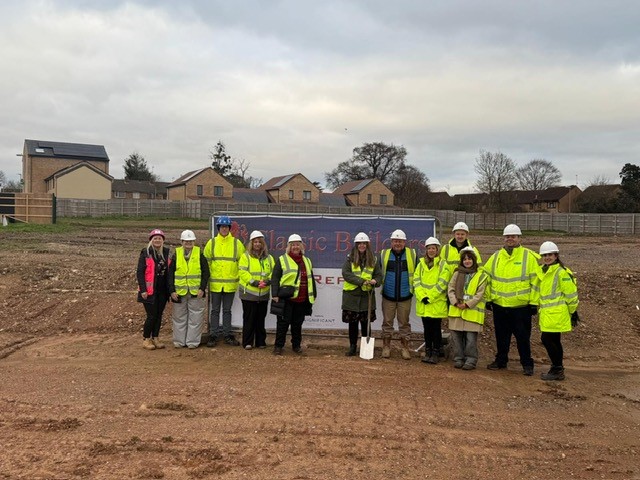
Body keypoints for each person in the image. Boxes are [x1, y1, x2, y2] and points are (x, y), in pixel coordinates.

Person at [483, 224, 540, 375]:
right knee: (501, 337)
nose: (510, 239)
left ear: (519, 238)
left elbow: (536, 282)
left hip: (521, 307)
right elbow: (486, 278)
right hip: (500, 306)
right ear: (504, 238)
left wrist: (534, 303)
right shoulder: (496, 257)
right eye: (508, 236)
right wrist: (488, 298)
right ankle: (501, 361)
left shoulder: (529, 256)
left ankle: (527, 364)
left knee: (523, 338)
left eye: (513, 236)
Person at [532, 241, 579, 381]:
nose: (547, 257)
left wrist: (573, 312)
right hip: (548, 314)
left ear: (556, 255)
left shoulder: (560, 272)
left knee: (547, 339)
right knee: (554, 341)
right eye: (544, 255)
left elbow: (571, 294)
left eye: (549, 255)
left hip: (557, 314)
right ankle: (557, 368)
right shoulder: (543, 271)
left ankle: (557, 369)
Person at [271, 234, 317, 355]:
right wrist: (275, 294)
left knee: (297, 324)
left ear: (301, 246)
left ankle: (296, 345)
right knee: (283, 324)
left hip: (301, 299)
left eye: (298, 244)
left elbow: (310, 278)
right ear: (289, 247)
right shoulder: (282, 259)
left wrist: (313, 294)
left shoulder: (307, 260)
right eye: (293, 245)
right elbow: (275, 278)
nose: (295, 247)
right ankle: (278, 346)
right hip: (286, 298)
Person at [203, 215, 245, 347]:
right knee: (215, 311)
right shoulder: (212, 243)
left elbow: (242, 263)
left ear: (229, 228)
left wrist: (237, 279)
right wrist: (209, 279)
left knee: (227, 310)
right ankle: (213, 335)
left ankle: (227, 335)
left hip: (230, 285)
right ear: (218, 228)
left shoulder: (237, 243)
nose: (224, 229)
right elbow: (206, 263)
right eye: (222, 227)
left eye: (226, 227)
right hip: (215, 284)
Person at [447, 247, 489, 370]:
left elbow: (480, 294)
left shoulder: (481, 276)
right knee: (456, 337)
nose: (467, 261)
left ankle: (471, 360)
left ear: (474, 260)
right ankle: (458, 358)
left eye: (469, 259)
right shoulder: (456, 273)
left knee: (471, 339)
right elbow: (451, 289)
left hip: (471, 312)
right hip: (456, 311)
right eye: (464, 259)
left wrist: (467, 304)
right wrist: (455, 302)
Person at [341, 232, 382, 356]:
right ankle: (352, 347)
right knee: (352, 325)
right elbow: (346, 273)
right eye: (359, 243)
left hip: (367, 297)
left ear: (367, 245)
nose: (362, 245)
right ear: (356, 244)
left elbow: (379, 275)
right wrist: (361, 281)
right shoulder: (350, 258)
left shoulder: (373, 259)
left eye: (364, 243)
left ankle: (365, 348)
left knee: (366, 324)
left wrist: (376, 281)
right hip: (351, 297)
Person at [379, 229, 417, 360]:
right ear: (391, 242)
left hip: (405, 296)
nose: (397, 243)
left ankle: (405, 348)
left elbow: (418, 273)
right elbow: (378, 273)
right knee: (387, 322)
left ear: (404, 242)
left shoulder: (412, 255)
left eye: (400, 241)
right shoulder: (384, 254)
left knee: (404, 323)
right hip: (388, 296)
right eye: (395, 241)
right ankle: (386, 347)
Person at [168, 230, 209, 349]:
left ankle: (192, 342)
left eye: (191, 241)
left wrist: (202, 288)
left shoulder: (199, 253)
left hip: (196, 293)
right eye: (186, 241)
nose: (189, 243)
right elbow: (170, 274)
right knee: (179, 318)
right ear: (182, 242)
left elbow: (206, 272)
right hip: (179, 293)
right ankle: (179, 342)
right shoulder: (176, 254)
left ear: (194, 242)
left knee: (195, 318)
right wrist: (172, 291)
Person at [413, 237, 451, 364]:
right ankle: (428, 351)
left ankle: (435, 352)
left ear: (437, 250)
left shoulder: (443, 264)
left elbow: (442, 283)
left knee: (435, 329)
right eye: (429, 248)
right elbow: (416, 281)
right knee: (427, 329)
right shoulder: (421, 264)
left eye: (433, 248)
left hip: (436, 303)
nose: (431, 250)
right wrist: (422, 296)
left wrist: (430, 297)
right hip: (424, 303)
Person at [238, 230, 275, 350]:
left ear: (263, 244)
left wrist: (267, 281)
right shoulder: (245, 256)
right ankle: (247, 342)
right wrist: (254, 282)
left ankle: (260, 342)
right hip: (249, 294)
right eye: (255, 242)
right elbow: (242, 272)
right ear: (251, 243)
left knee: (260, 319)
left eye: (259, 242)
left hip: (263, 294)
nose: (257, 244)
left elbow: (274, 273)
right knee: (249, 319)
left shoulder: (269, 258)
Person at [136, 228, 171, 350]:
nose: (157, 240)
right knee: (151, 315)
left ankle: (155, 337)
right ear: (151, 240)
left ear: (163, 240)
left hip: (162, 290)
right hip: (149, 291)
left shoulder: (165, 253)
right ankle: (146, 339)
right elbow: (140, 272)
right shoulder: (146, 252)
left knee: (159, 314)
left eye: (160, 238)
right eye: (155, 238)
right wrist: (143, 289)